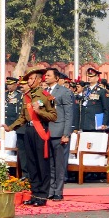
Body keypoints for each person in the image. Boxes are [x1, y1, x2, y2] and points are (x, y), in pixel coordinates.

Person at [3, 68, 57, 206]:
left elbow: (53, 116)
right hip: (28, 130)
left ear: (39, 80)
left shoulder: (45, 95)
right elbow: (22, 117)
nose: (29, 81)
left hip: (40, 130)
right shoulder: (26, 96)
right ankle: (34, 194)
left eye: (32, 79)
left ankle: (42, 196)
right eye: (29, 79)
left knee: (42, 164)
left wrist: (39, 112)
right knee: (31, 163)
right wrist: (11, 127)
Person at [43, 68, 73, 201]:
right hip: (46, 132)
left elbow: (68, 114)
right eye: (45, 75)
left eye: (48, 75)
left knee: (59, 164)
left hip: (59, 131)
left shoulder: (64, 92)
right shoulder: (44, 91)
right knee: (49, 163)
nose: (46, 77)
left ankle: (58, 191)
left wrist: (66, 134)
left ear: (56, 78)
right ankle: (50, 189)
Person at [79, 67, 109, 132]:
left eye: (91, 76)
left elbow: (106, 109)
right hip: (85, 123)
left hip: (96, 123)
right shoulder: (85, 89)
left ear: (97, 78)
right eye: (88, 76)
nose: (89, 78)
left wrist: (104, 123)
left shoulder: (102, 91)